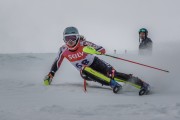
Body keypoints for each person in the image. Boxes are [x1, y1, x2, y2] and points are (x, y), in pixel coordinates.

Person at [44, 26, 150, 95]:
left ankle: (142, 84)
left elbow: (101, 49)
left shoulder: (83, 43)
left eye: (72, 37)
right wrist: (51, 75)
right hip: (86, 72)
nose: (70, 41)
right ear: (64, 40)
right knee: (84, 70)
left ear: (77, 37)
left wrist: (96, 50)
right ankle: (113, 84)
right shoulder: (63, 50)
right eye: (67, 38)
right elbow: (57, 63)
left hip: (96, 63)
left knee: (112, 73)